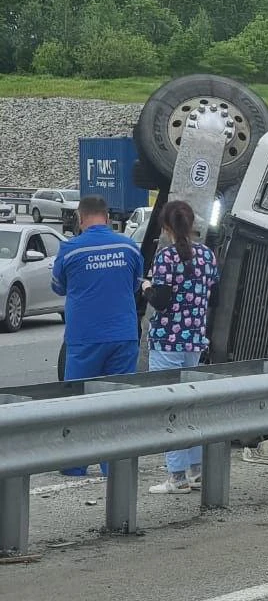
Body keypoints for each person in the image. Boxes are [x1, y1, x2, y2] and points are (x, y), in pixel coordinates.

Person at [52, 195, 143, 476]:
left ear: (81, 219)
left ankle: (76, 465)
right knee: (116, 403)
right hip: (123, 335)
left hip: (85, 338)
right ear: (107, 217)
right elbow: (136, 284)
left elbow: (58, 287)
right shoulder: (128, 247)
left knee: (79, 403)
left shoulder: (70, 249)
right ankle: (113, 466)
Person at [140, 201, 220, 493]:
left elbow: (161, 301)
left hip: (167, 341)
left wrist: (146, 286)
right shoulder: (207, 255)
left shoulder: (165, 257)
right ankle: (196, 469)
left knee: (169, 407)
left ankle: (176, 476)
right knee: (189, 405)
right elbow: (214, 298)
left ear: (167, 227)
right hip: (194, 340)